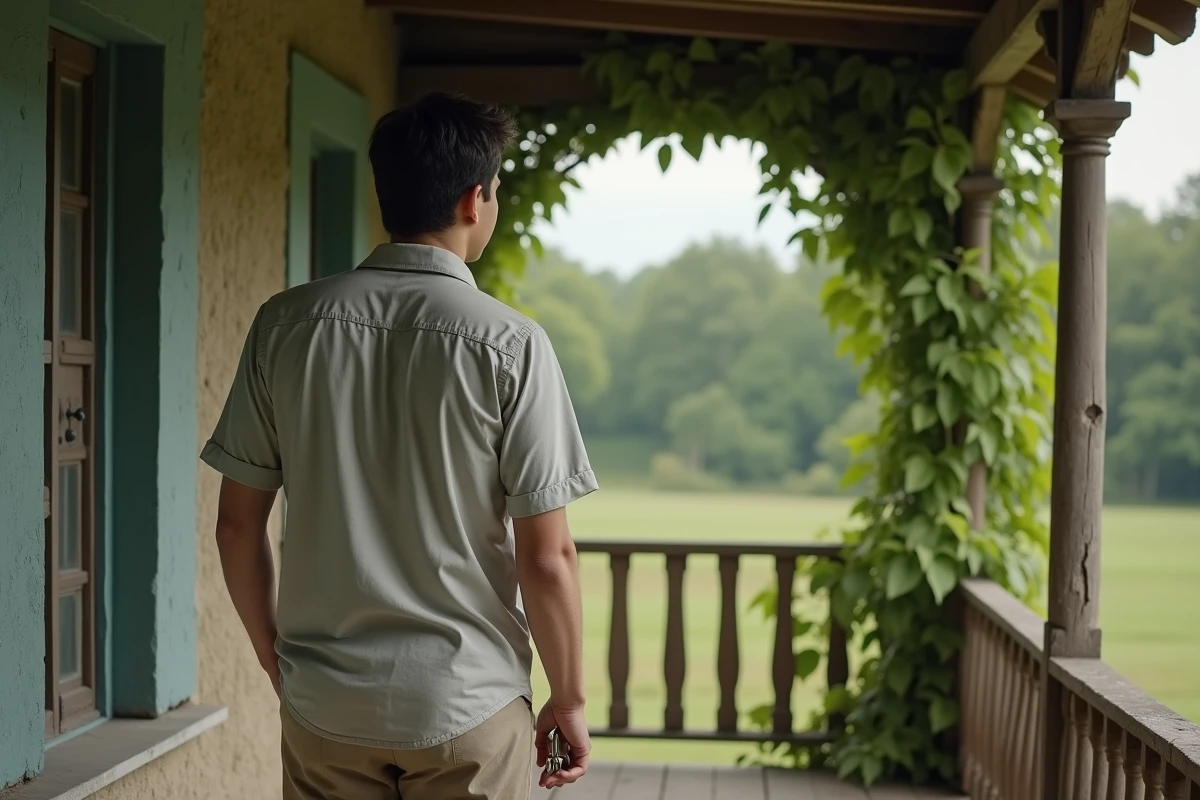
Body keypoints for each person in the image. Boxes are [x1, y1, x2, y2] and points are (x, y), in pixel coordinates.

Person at [201, 92, 596, 800]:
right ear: (476, 199)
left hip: (324, 708)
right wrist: (566, 697)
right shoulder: (512, 345)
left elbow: (237, 527)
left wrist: (275, 662)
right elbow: (548, 556)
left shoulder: (283, 326)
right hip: (466, 704)